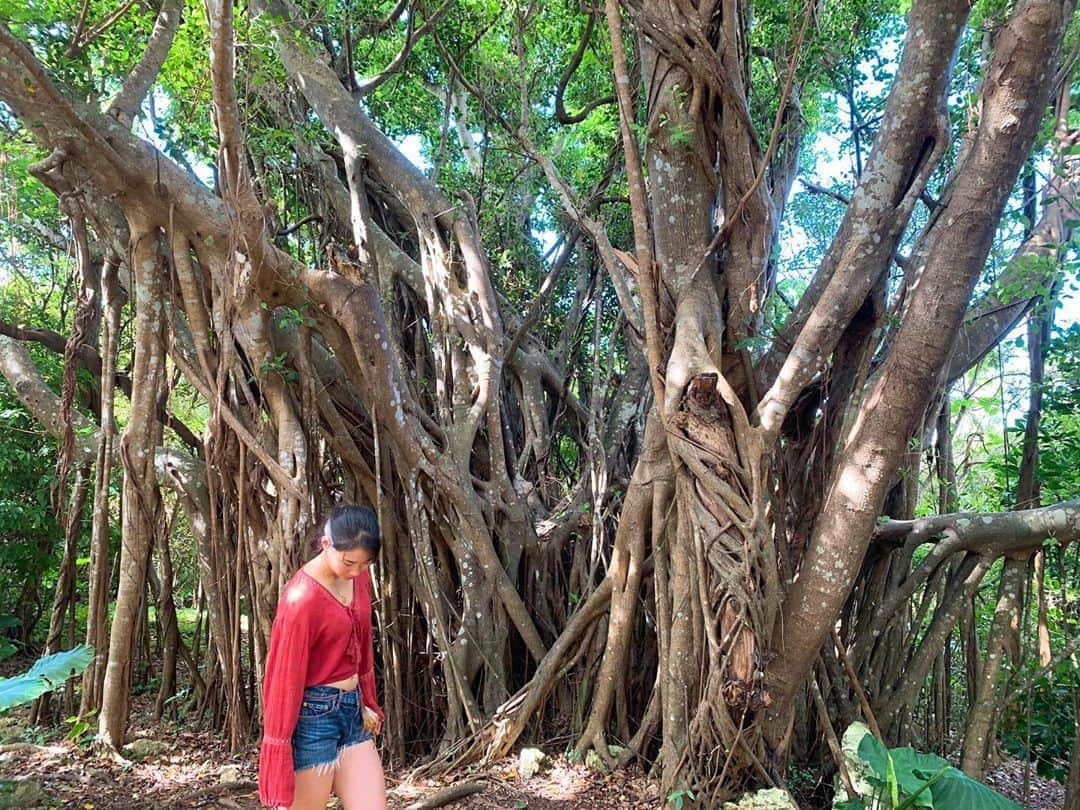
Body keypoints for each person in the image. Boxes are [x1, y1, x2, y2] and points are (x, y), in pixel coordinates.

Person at [258, 505, 386, 810]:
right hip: (314, 717)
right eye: (349, 562)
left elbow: (362, 643)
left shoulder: (359, 578)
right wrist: (277, 752)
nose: (356, 571)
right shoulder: (301, 600)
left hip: (352, 712)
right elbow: (283, 680)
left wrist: (367, 698)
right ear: (327, 544)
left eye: (365, 564)